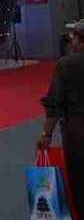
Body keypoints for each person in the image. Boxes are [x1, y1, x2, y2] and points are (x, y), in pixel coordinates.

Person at [38, 20, 84, 214]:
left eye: (73, 36)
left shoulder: (66, 65)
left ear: (80, 40)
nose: (71, 40)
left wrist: (46, 134)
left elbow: (54, 104)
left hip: (77, 133)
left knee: (80, 183)